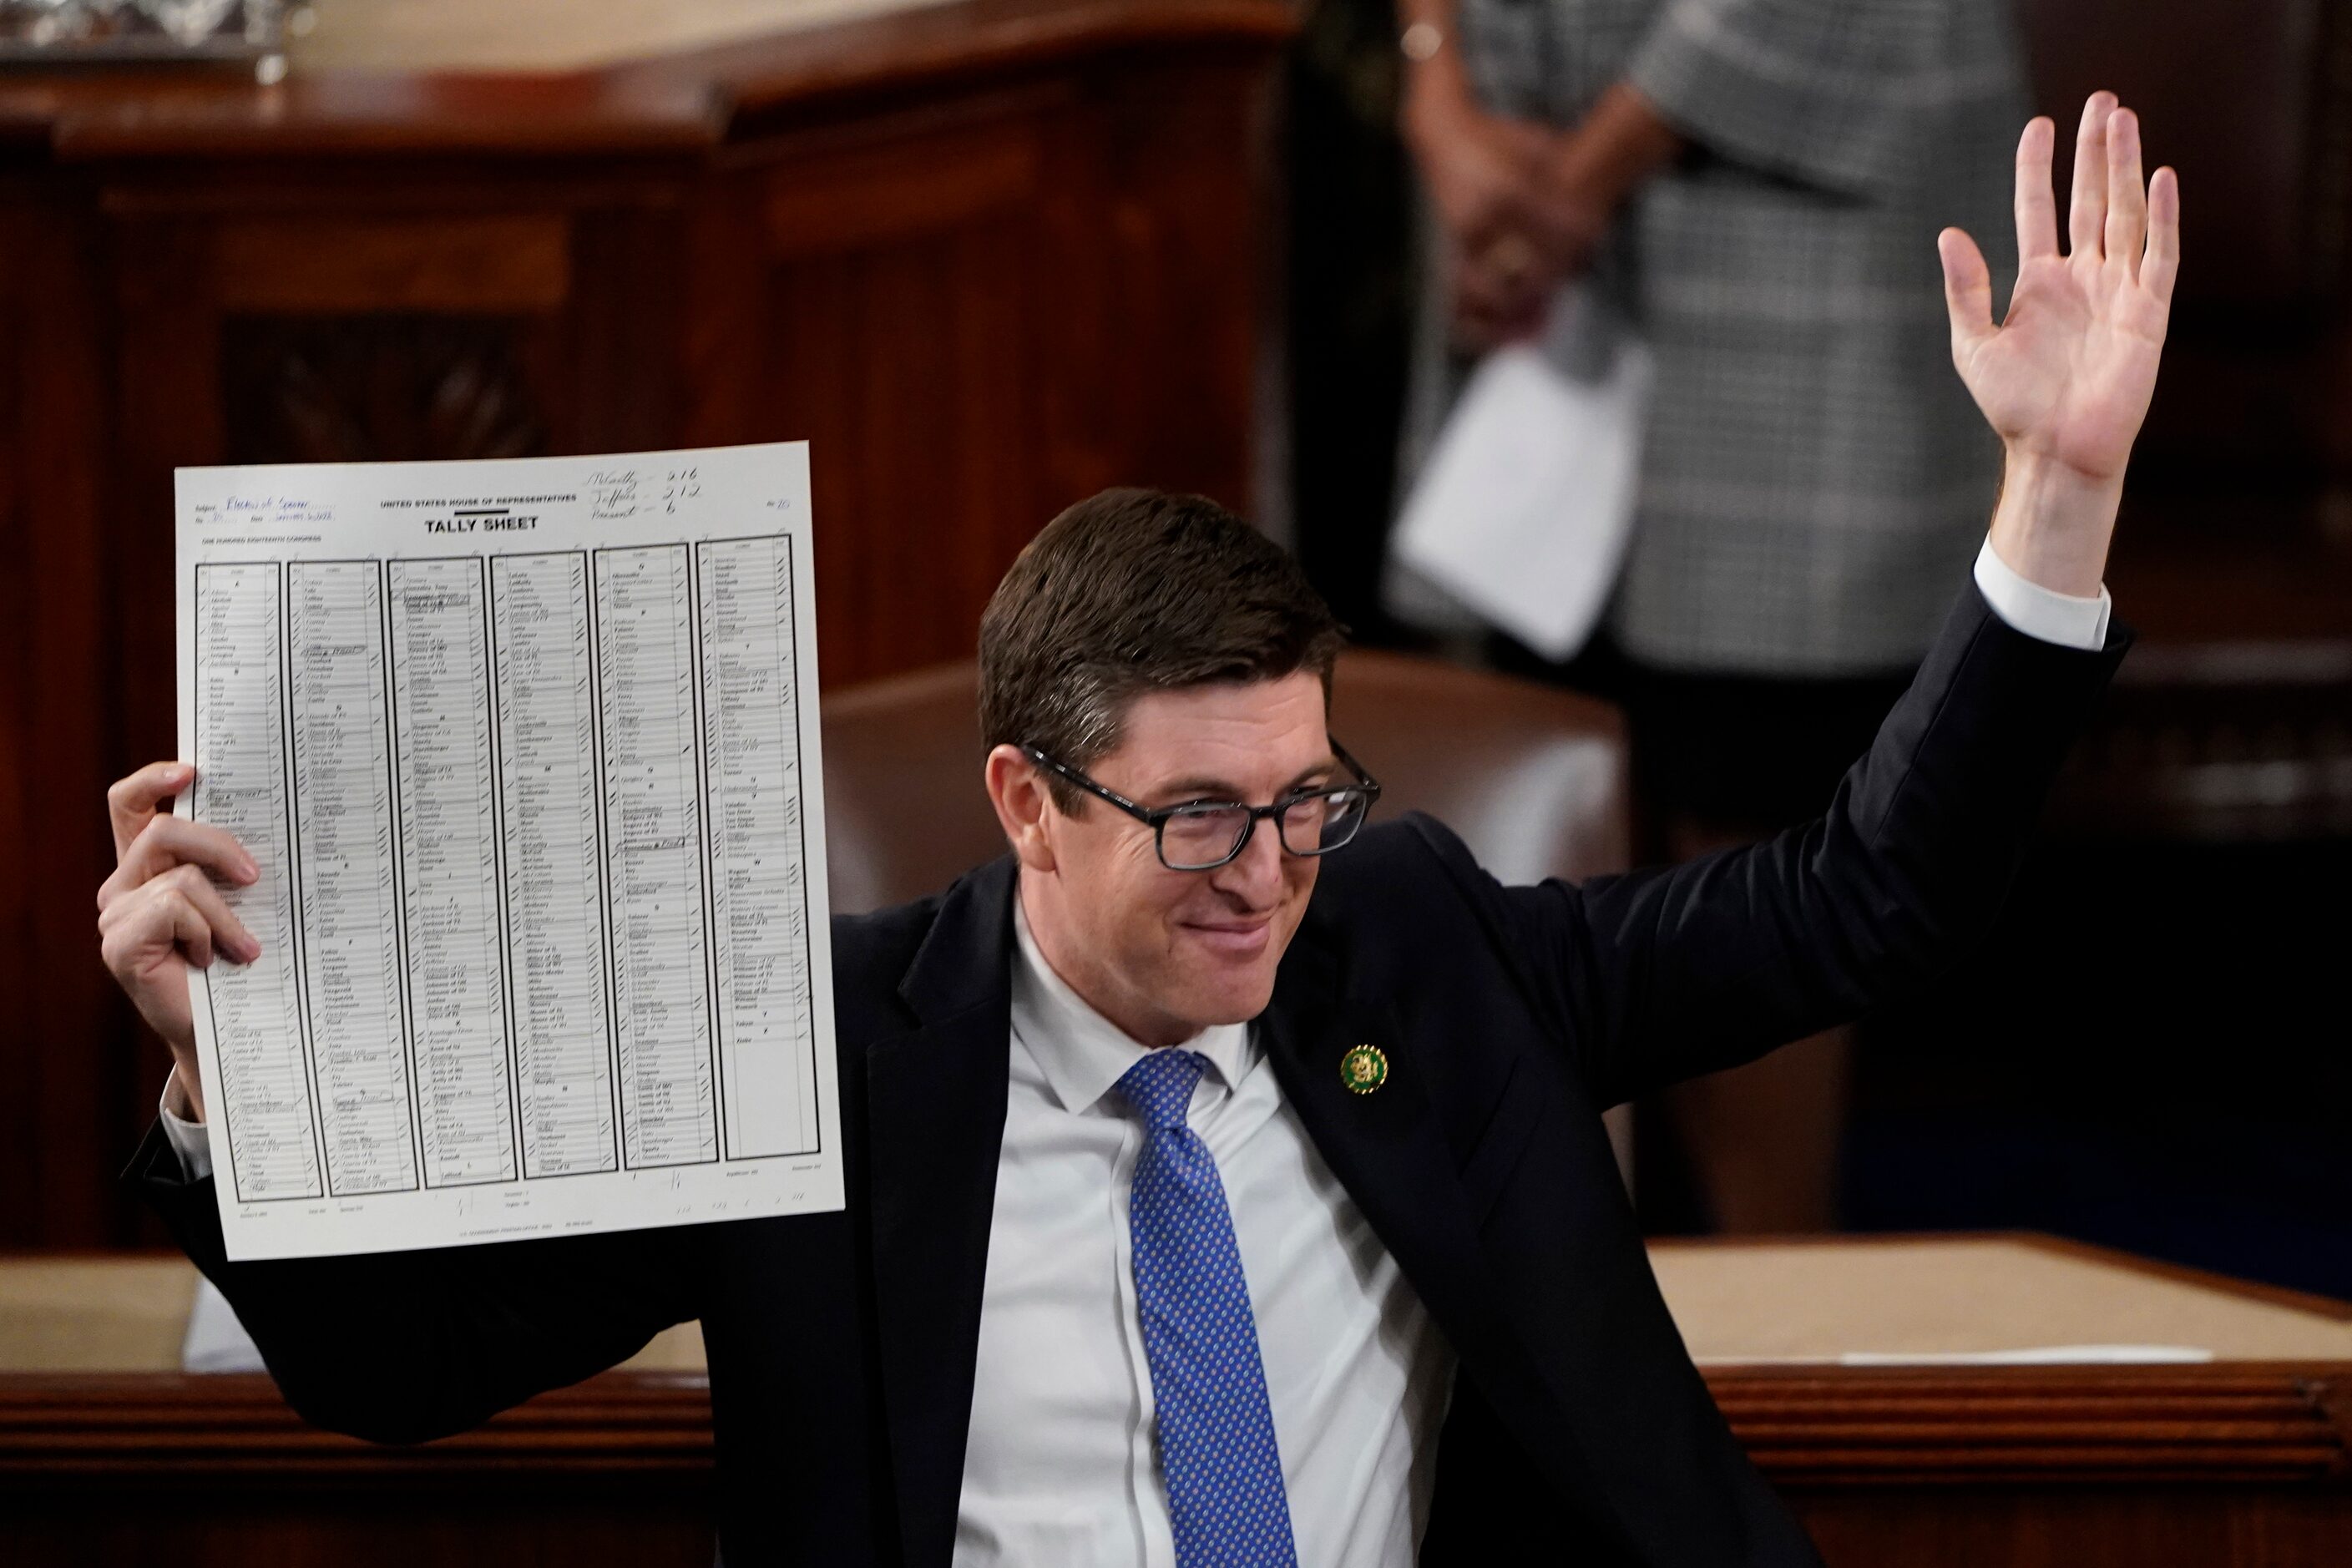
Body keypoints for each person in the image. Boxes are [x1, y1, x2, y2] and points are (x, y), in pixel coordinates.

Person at [95, 99, 2175, 1567]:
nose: (1269, 875)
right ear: (1024, 799)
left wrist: (2053, 501)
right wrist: (223, 1079)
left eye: (1304, 800)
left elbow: (1863, 898)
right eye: (1194, 819)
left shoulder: (1418, 959)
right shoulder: (814, 1061)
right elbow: (401, 1374)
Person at [1395, 0, 2036, 1231]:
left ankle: (1769, 1350)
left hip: (1789, 215)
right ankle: (1576, 1312)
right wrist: (1440, 98)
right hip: (1520, 191)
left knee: (1751, 798)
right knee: (1561, 780)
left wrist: (1576, 183)